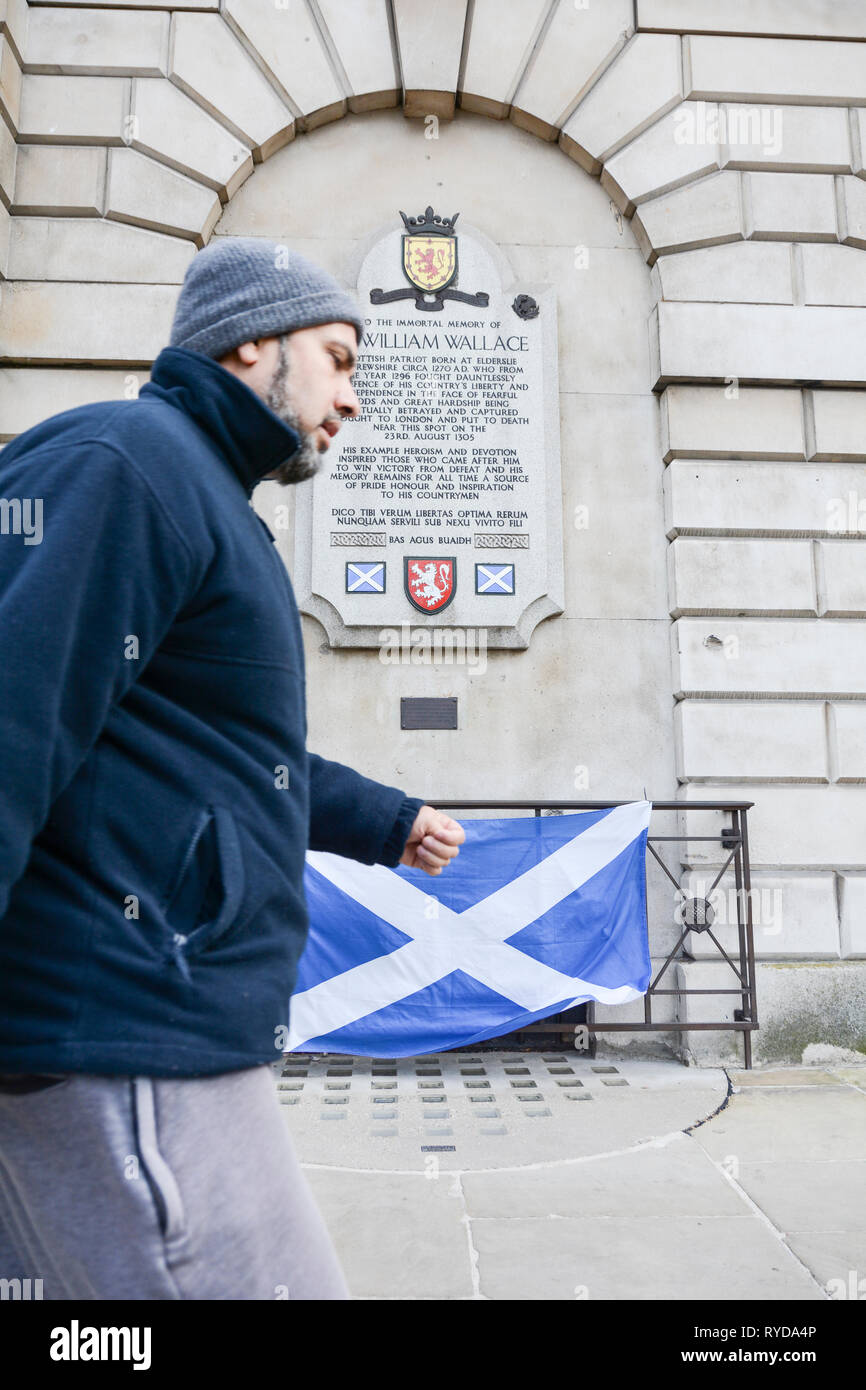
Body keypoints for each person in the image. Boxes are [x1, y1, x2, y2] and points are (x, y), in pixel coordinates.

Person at [0, 237, 465, 1300]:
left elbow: (226, 753)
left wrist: (385, 820)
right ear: (254, 339)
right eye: (340, 358)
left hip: (128, 1026)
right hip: (129, 1029)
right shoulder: (126, 462)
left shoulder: (198, 492)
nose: (351, 398)